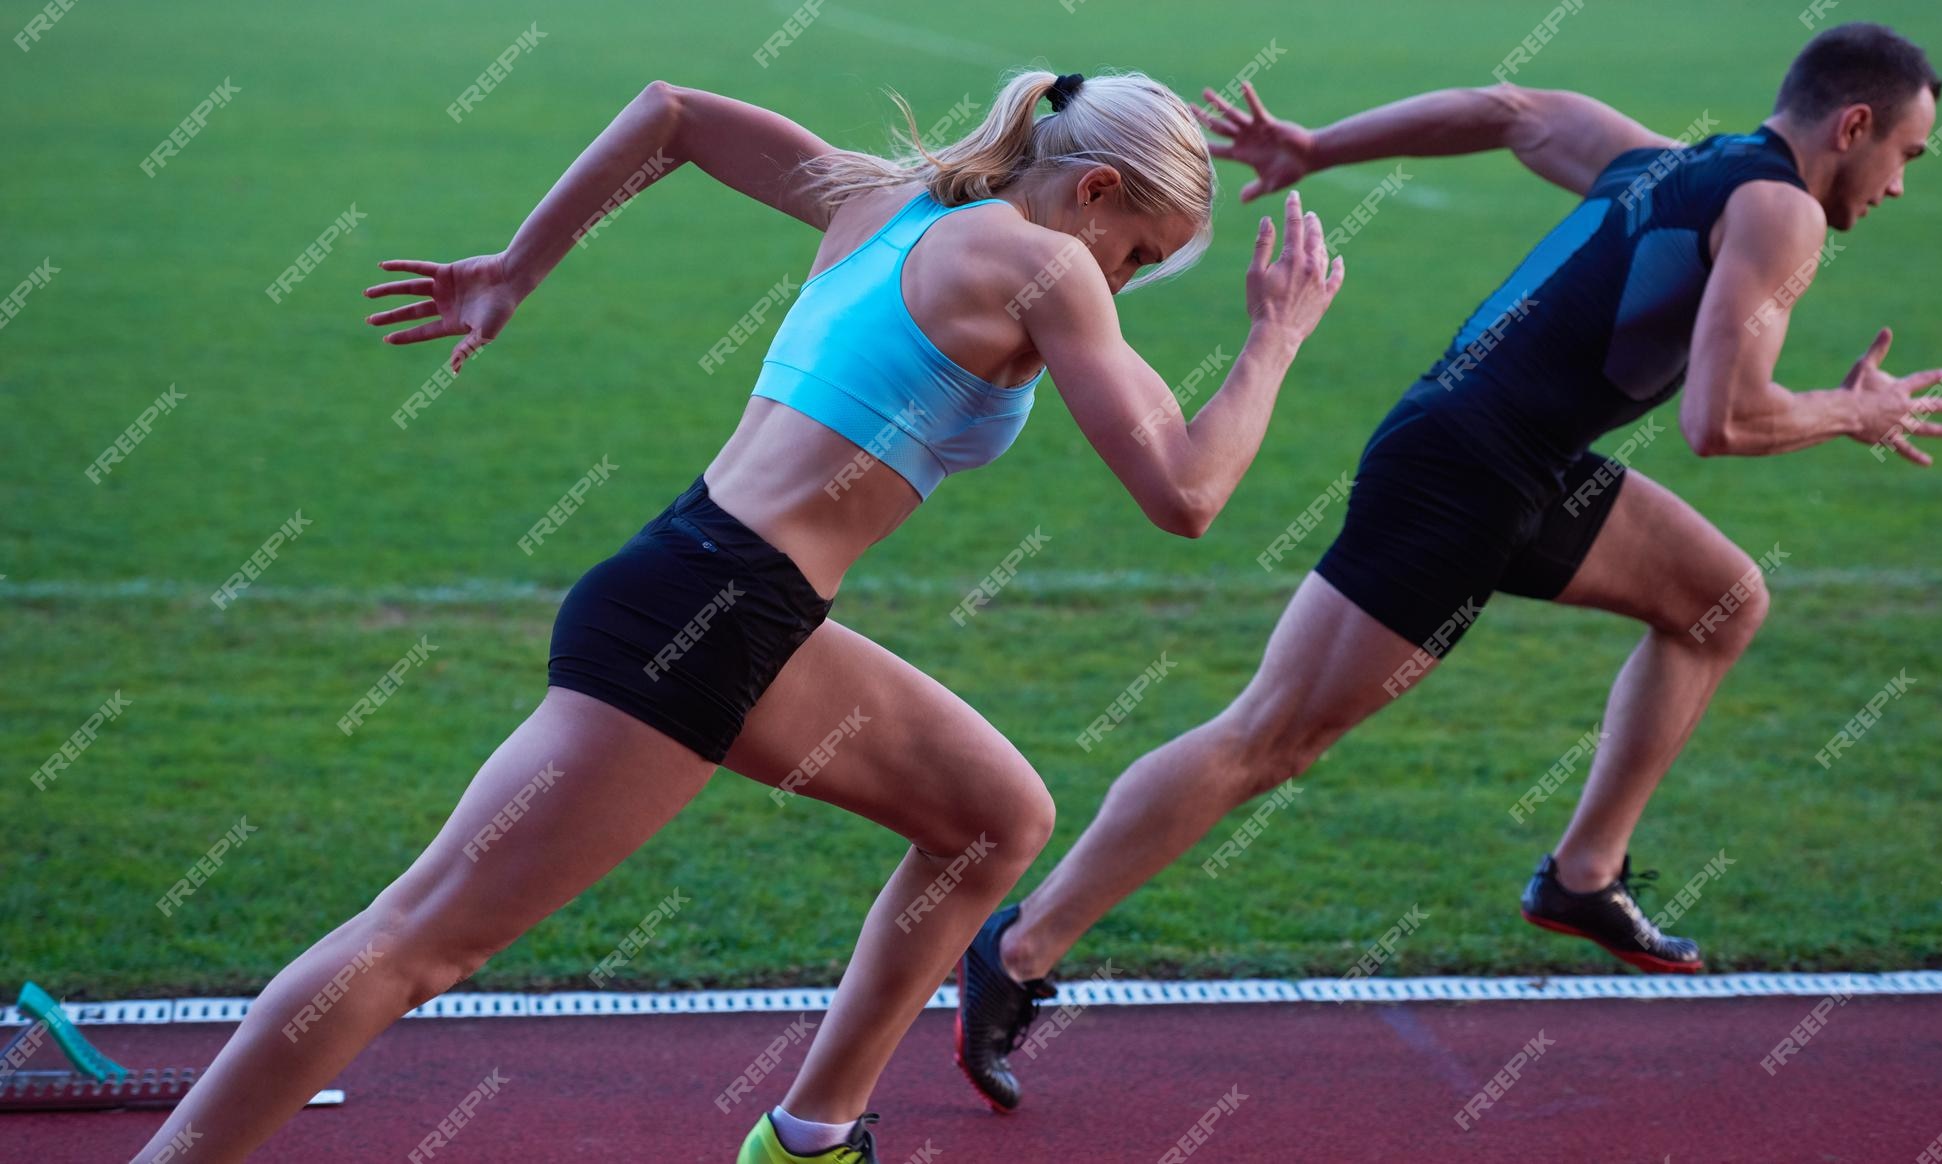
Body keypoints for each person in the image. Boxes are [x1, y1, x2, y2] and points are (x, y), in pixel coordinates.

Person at [128, 67, 1341, 1164]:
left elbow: (674, 113)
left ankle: (806, 1142)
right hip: (704, 617)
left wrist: (519, 266)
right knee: (421, 940)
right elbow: (1183, 493)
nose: (1121, 280)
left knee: (992, 820)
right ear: (1095, 191)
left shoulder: (886, 200)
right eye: (1137, 253)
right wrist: (1273, 340)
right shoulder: (1048, 267)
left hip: (718, 593)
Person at [954, 22, 1942, 1112]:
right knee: (1269, 738)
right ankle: (1016, 952)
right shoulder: (1782, 211)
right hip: (1464, 475)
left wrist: (1316, 146)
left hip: (1515, 462)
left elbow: (1507, 112)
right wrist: (1853, 410)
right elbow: (1721, 417)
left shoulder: (1667, 161)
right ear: (1850, 126)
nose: (1900, 185)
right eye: (1904, 153)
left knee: (1717, 600)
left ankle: (1582, 877)